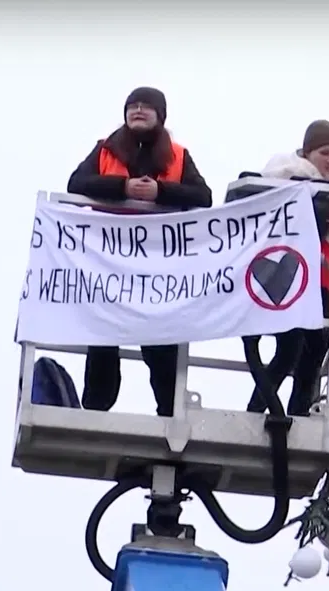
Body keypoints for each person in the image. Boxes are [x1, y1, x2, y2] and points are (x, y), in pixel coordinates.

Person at [65, 86, 213, 417]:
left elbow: (202, 196)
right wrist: (123, 188)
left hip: (158, 269)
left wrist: (161, 191)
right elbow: (76, 184)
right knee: (103, 338)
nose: (138, 111)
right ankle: (95, 410)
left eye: (146, 106)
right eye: (133, 106)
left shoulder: (178, 155)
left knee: (161, 344)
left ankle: (169, 412)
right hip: (108, 262)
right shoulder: (105, 150)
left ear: (161, 115)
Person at [245, 119, 329, 418]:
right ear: (307, 152)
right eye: (325, 152)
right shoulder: (277, 181)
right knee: (289, 347)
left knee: (314, 351)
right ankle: (257, 409)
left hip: (323, 286)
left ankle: (298, 414)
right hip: (286, 280)